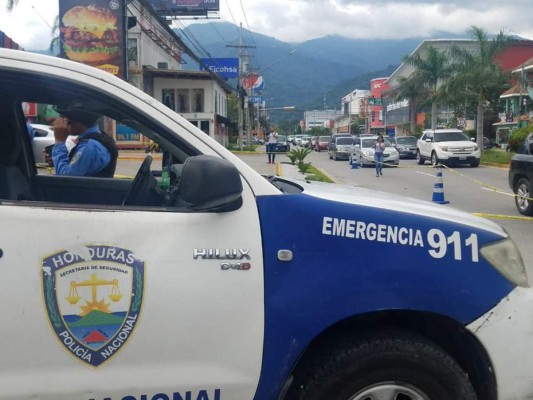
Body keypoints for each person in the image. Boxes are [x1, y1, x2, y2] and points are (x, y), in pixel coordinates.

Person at [52, 101, 118, 177]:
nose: (61, 123)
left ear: (74, 121)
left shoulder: (90, 146)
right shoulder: (96, 139)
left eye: (64, 120)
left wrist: (59, 141)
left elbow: (66, 178)